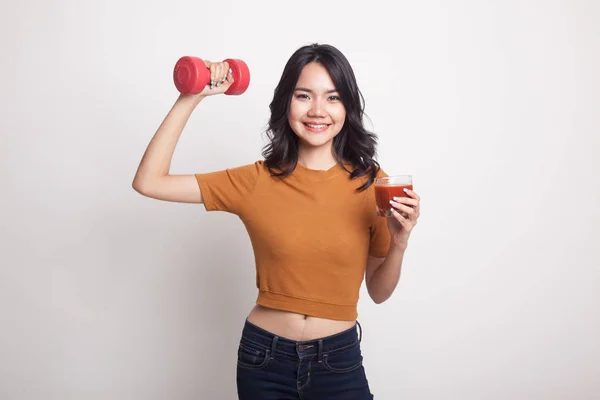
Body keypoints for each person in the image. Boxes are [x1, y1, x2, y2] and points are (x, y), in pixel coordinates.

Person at [132, 43, 421, 399]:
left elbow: (378, 291)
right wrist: (190, 97)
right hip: (263, 360)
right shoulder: (255, 180)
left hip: (338, 362)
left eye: (332, 98)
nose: (318, 110)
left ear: (348, 106)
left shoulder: (371, 183)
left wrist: (400, 243)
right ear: (287, 102)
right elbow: (148, 181)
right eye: (304, 95)